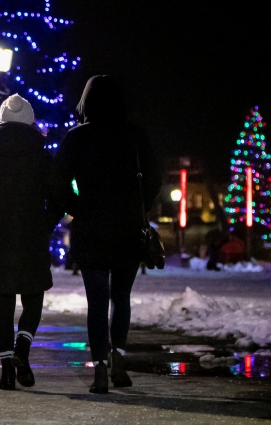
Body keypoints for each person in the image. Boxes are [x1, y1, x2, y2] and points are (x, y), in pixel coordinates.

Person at [52, 75, 161, 392]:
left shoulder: (76, 138)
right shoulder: (134, 136)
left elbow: (57, 183)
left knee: (97, 301)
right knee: (121, 297)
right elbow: (153, 178)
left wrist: (77, 207)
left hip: (91, 227)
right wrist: (141, 207)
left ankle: (99, 369)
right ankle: (119, 360)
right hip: (127, 227)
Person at [0, 93, 64, 391]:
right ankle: (23, 348)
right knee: (34, 297)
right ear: (30, 122)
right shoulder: (44, 157)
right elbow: (59, 197)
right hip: (32, 237)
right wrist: (45, 222)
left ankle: (7, 370)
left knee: (3, 305)